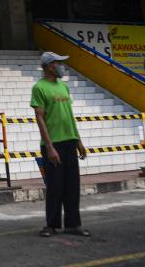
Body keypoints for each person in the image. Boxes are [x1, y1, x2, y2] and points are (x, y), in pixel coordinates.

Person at [31, 51, 90, 238]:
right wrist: (49, 147)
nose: (62, 67)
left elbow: (69, 116)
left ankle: (73, 224)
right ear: (50, 66)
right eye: (59, 63)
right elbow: (39, 118)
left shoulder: (64, 87)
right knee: (55, 186)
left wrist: (78, 140)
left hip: (69, 141)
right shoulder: (39, 88)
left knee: (72, 186)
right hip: (53, 144)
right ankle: (51, 225)